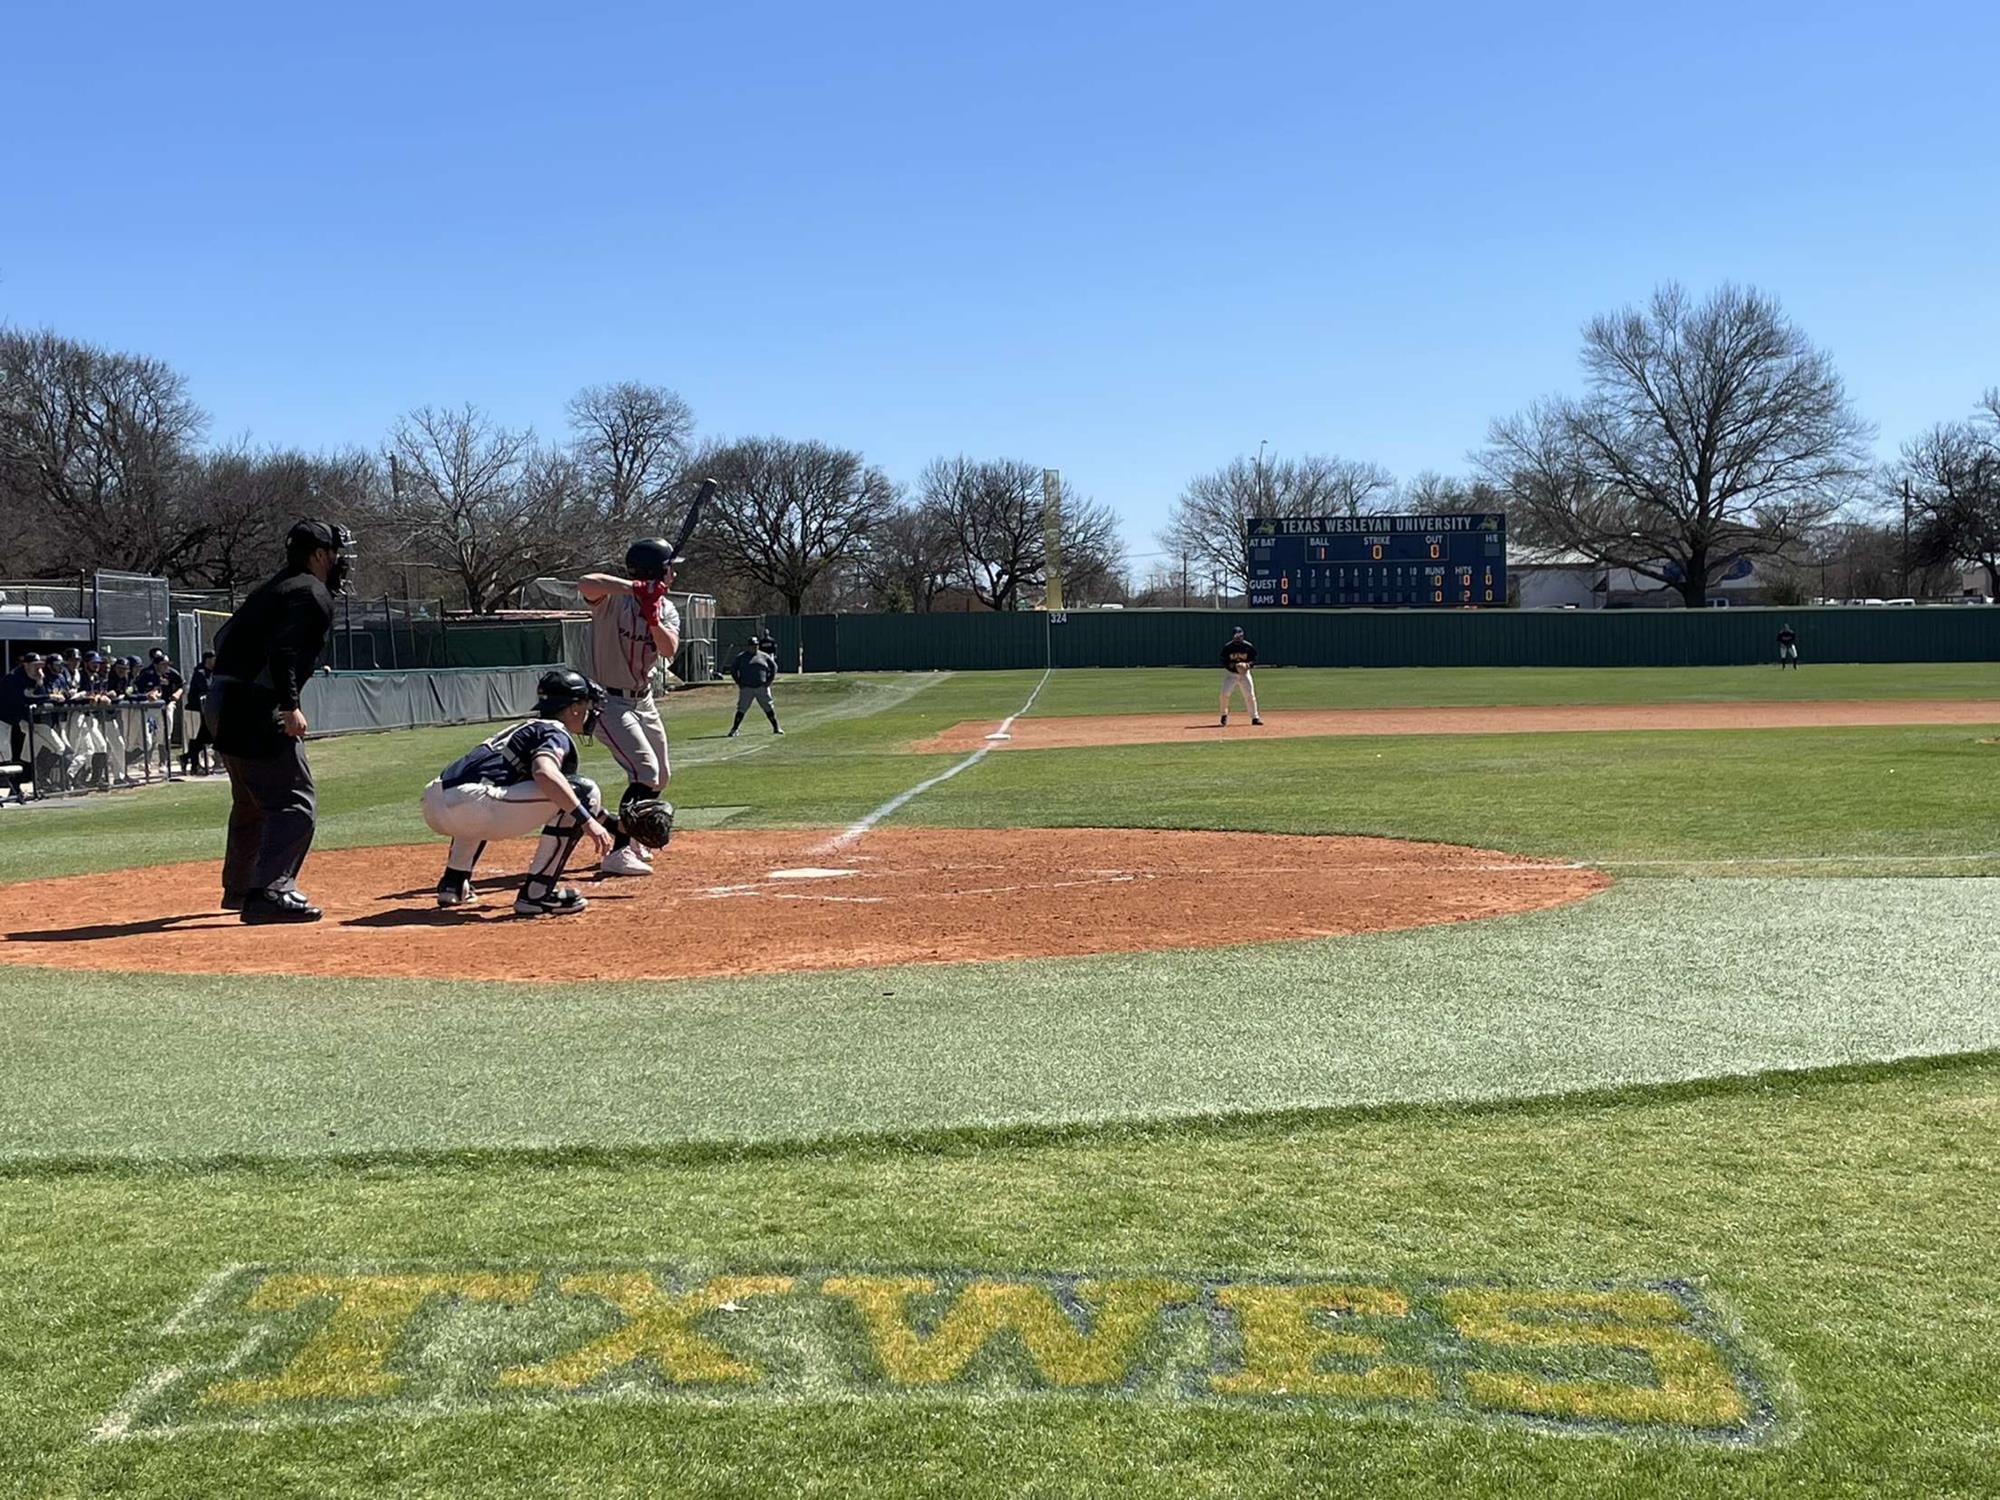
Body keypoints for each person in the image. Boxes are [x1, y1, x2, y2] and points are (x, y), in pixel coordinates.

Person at [418, 669, 668, 916]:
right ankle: (537, 894)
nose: (592, 711)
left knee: (492, 796)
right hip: (475, 803)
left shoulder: (524, 728)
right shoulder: (554, 732)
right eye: (588, 703)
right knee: (584, 790)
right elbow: (545, 774)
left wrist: (616, 827)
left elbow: (553, 796)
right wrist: (588, 823)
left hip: (435, 801)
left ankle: (454, 882)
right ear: (574, 708)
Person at [206, 518, 353, 924]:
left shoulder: (272, 588)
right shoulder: (310, 592)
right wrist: (289, 704)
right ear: (321, 555)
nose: (340, 561)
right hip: (255, 705)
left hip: (221, 700)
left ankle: (240, 888)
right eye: (336, 553)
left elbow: (223, 639)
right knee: (294, 803)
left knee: (251, 804)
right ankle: (269, 890)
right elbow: (283, 651)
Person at [578, 537, 682, 878]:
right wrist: (637, 589)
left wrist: (653, 616)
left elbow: (668, 650)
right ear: (656, 572)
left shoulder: (666, 607)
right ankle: (618, 850)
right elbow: (587, 583)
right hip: (608, 700)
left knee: (660, 775)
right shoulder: (612, 602)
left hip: (644, 699)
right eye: (669, 571)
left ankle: (631, 835)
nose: (673, 577)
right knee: (644, 772)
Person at [726, 634, 783, 737]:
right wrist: (739, 682)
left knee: (768, 707)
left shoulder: (764, 656)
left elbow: (773, 667)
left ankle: (776, 727)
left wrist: (769, 681)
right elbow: (733, 669)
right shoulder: (741, 657)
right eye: (752, 645)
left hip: (761, 687)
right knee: (741, 709)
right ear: (748, 646)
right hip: (747, 687)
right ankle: (734, 729)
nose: (754, 647)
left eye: (756, 645)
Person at [1219, 626, 1262, 726]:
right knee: (1224, 694)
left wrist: (1247, 665)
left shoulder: (1248, 646)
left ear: (1242, 635)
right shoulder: (1228, 647)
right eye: (1236, 636)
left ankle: (1255, 718)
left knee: (1250, 695)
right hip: (1231, 674)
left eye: (1239, 636)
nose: (1237, 638)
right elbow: (1223, 660)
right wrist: (1233, 665)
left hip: (1244, 674)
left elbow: (1254, 659)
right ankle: (1223, 715)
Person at [184, 650, 218, 774]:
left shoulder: (212, 672)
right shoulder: (200, 673)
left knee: (204, 737)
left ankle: (186, 758)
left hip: (205, 711)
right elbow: (205, 688)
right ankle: (193, 764)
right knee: (195, 737)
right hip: (195, 710)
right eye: (213, 659)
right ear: (208, 660)